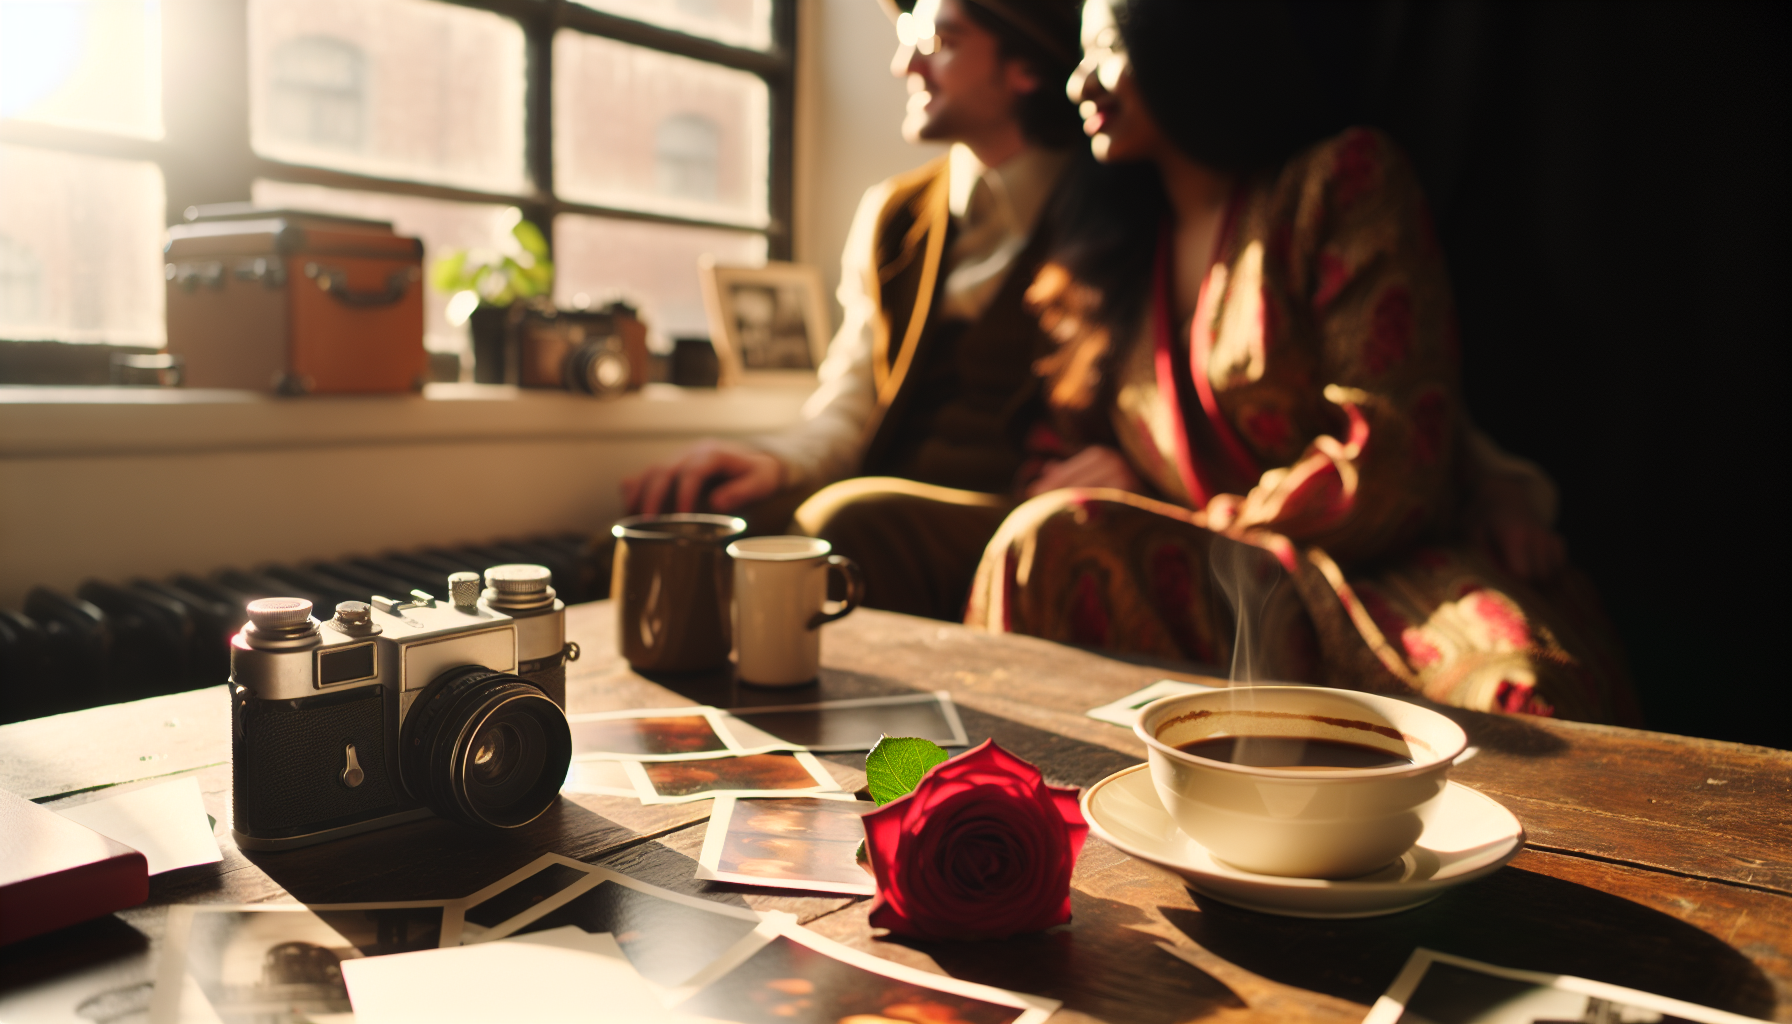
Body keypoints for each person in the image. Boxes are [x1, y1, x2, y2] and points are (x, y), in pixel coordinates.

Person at [959, 0, 1640, 724]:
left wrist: (1220, 521)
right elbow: (1058, 445)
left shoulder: (1337, 181)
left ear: (1185, 44)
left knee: (1523, 700)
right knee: (1044, 542)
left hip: (1363, 570)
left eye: (1108, 50)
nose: (1079, 84)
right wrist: (1112, 482)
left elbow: (1394, 458)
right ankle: (1007, 817)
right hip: (1201, 578)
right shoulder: (1110, 249)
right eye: (1078, 57)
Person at [620, 0, 1085, 620]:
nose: (905, 64)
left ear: (1023, 68)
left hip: (1013, 505)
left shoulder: (1107, 206)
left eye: (942, 41)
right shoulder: (894, 213)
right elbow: (851, 400)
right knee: (679, 529)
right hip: (881, 484)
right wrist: (775, 459)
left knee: (844, 521)